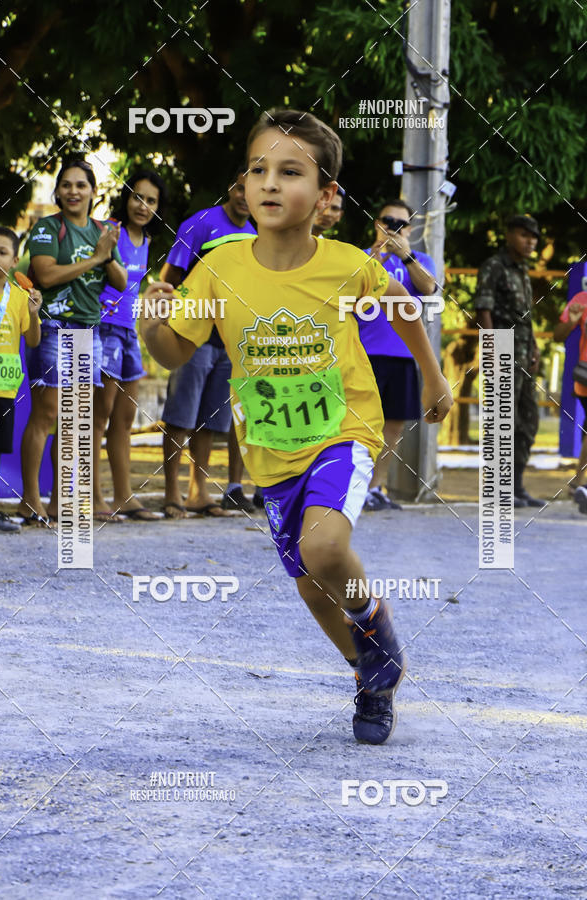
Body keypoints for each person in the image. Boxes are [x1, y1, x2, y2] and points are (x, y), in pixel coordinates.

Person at [141, 108, 452, 745]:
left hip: (344, 429)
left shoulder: (345, 264)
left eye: (290, 171)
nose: (270, 183)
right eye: (259, 169)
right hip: (271, 456)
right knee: (313, 590)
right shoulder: (219, 270)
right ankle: (373, 669)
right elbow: (174, 353)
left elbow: (404, 305)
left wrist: (433, 375)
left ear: (326, 194)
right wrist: (152, 321)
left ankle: (376, 624)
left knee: (325, 549)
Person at [19, 159, 127, 525]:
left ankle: (57, 501)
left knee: (74, 422)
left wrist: (106, 255)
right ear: (58, 191)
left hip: (89, 331)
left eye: (81, 185)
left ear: (93, 192)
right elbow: (47, 276)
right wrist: (96, 257)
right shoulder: (47, 228)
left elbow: (122, 282)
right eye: (66, 185)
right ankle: (29, 500)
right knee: (45, 415)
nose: (73, 191)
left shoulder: (102, 230)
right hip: (52, 328)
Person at [159, 170, 256, 518]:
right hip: (193, 334)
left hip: (230, 340)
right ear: (230, 188)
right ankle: (172, 495)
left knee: (211, 422)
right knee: (180, 418)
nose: (247, 195)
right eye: (241, 187)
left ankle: (198, 494)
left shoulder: (256, 232)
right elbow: (169, 278)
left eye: (253, 188)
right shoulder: (200, 223)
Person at [93, 170, 167, 522]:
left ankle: (124, 497)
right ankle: (94, 498)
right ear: (126, 198)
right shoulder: (110, 230)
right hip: (103, 329)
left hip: (128, 334)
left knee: (124, 420)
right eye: (138, 197)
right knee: (99, 417)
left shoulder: (147, 241)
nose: (143, 205)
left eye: (151, 200)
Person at [362, 199, 437, 510]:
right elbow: (353, 289)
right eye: (386, 221)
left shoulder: (419, 260)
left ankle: (376, 488)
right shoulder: (363, 257)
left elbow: (429, 288)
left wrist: (404, 256)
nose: (392, 228)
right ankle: (353, 488)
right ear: (376, 222)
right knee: (360, 425)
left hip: (403, 356)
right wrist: (380, 253)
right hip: (364, 353)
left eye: (399, 224)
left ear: (409, 229)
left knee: (392, 429)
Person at [474, 214, 543, 508]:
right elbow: (483, 309)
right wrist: (491, 348)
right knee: (503, 421)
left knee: (528, 421)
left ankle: (516, 486)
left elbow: (525, 317)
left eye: (534, 237)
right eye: (525, 235)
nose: (531, 242)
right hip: (503, 350)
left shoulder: (522, 270)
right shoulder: (494, 266)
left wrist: (536, 348)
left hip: (525, 354)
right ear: (510, 235)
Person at [0, 227, 42, 532]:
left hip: (2, 389)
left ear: (15, 260)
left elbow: (33, 341)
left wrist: (34, 314)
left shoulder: (20, 298)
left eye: (2, 252)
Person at [553, 291, 587, 513]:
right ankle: (579, 483)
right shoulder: (582, 299)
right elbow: (558, 335)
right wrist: (573, 322)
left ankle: (578, 484)